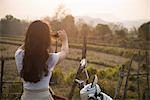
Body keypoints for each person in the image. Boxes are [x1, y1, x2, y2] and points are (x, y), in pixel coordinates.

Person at [15, 20, 69, 100]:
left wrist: (34, 38)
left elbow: (25, 46)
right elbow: (65, 52)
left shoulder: (19, 55)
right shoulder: (50, 58)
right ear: (46, 39)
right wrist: (65, 40)